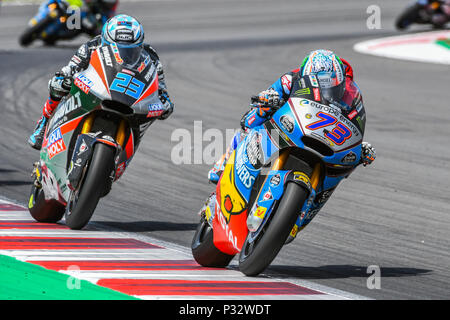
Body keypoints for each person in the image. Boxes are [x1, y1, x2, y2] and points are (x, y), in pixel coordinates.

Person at [208, 49, 376, 183]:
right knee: (251, 120)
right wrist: (269, 99)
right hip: (289, 122)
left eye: (329, 84)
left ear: (339, 81)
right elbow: (267, 95)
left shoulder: (349, 94)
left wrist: (358, 147)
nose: (325, 89)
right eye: (319, 82)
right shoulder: (290, 79)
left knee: (346, 162)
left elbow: (354, 120)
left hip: (321, 133)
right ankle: (227, 160)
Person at [28, 14, 174, 150]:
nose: (124, 53)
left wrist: (164, 101)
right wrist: (63, 79)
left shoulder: (151, 56)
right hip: (96, 87)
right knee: (57, 84)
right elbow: (71, 68)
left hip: (130, 97)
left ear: (140, 45)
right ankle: (43, 122)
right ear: (105, 39)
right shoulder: (91, 45)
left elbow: (160, 87)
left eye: (130, 50)